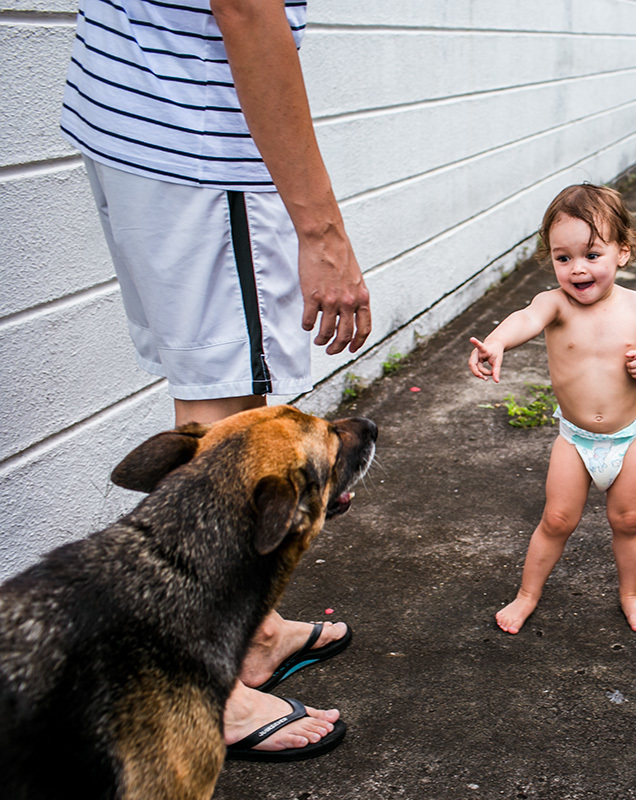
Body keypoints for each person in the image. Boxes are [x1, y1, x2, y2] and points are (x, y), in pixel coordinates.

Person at [61, 0, 372, 760]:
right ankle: (206, 685)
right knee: (220, 402)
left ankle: (254, 634)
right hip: (197, 137)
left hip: (141, 113)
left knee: (231, 387)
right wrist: (320, 229)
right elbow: (246, 8)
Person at [469, 184, 636, 635]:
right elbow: (525, 318)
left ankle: (631, 594)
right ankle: (526, 595)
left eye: (591, 255)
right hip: (576, 441)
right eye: (563, 258)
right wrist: (497, 341)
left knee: (629, 519)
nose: (577, 269)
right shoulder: (554, 304)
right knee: (556, 519)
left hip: (629, 438)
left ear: (622, 251)